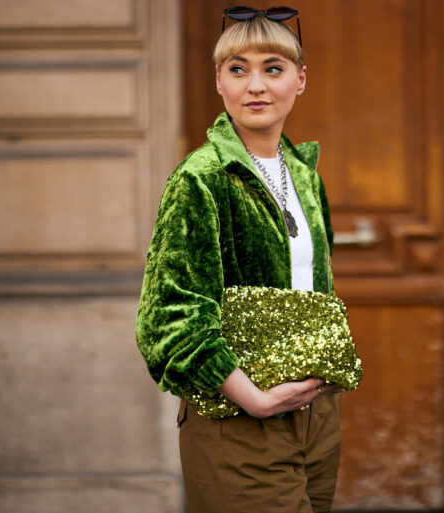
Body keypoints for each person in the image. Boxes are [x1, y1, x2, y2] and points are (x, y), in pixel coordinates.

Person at [135, 7, 342, 512]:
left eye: (273, 68)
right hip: (239, 417)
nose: (256, 85)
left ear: (300, 79)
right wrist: (255, 399)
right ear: (219, 81)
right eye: (238, 69)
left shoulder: (304, 175)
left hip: (315, 417)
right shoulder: (201, 178)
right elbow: (169, 315)